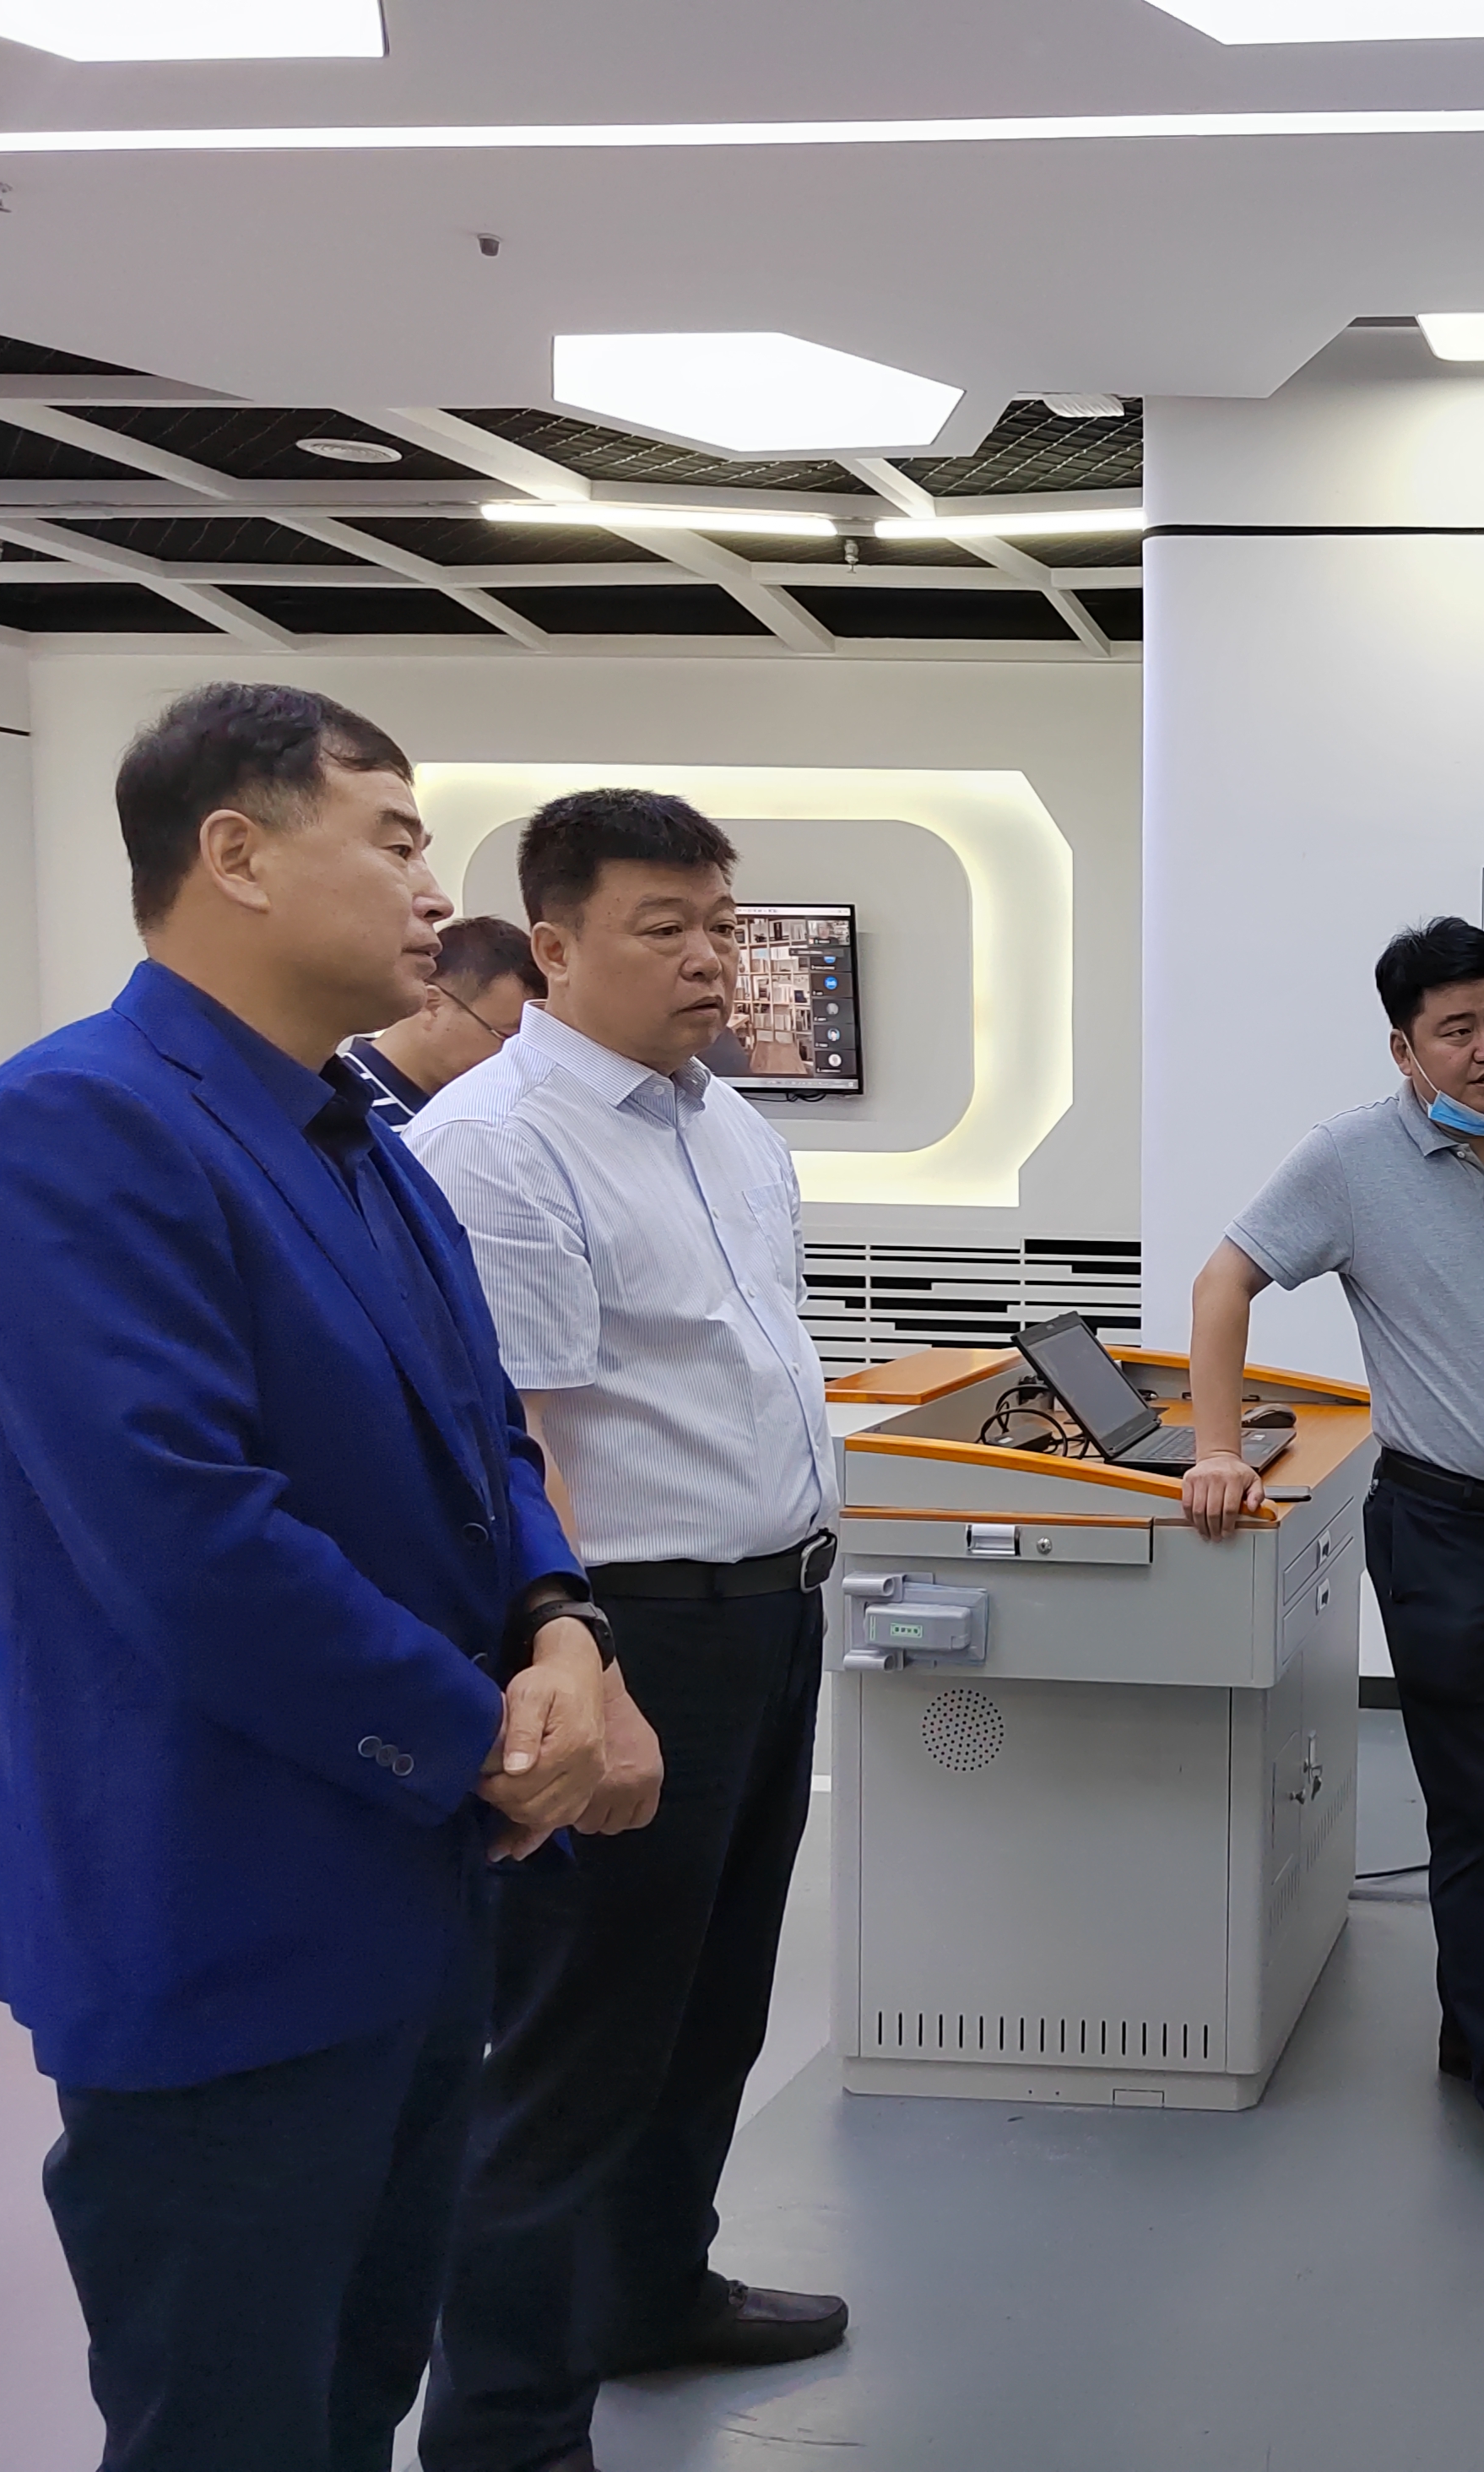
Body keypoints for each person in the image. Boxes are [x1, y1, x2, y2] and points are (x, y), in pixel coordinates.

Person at [0, 682, 623, 2472]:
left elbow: (484, 1438)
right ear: (235, 853)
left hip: (410, 1900)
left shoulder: (358, 1139)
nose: (435, 889)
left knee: (351, 2392)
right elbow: (190, 1540)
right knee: (229, 2421)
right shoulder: (75, 1125)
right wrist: (483, 1739)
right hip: (219, 1913)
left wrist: (562, 1626)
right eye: (393, 839)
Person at [407, 788, 848, 2472]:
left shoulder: (724, 1124)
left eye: (721, 923)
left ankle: (651, 2291)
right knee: (575, 2051)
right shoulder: (500, 1144)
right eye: (664, 928)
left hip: (768, 1617)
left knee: (712, 2008)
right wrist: (585, 1664)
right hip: (630, 1629)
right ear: (554, 944)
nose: (709, 958)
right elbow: (502, 1442)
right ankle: (506, 2429)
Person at [1183, 916, 1484, 2221]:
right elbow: (1224, 1283)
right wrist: (1214, 1451)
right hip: (1443, 1536)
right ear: (1404, 1049)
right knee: (1477, 1806)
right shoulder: (1348, 1161)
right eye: (1457, 1029)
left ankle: (1469, 2012)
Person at [344, 913, 545, 1127]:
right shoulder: (339, 1107)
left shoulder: (478, 1112)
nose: (521, 1058)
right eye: (509, 1037)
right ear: (432, 1006)